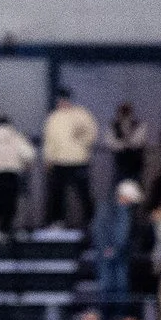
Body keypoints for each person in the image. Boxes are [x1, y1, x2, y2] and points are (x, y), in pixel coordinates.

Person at [42, 91, 99, 229]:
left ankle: (92, 221)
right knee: (57, 193)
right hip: (59, 161)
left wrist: (83, 141)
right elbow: (49, 141)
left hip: (78, 160)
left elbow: (92, 131)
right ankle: (57, 222)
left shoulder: (81, 114)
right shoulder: (53, 118)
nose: (62, 103)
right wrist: (48, 158)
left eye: (64, 100)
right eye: (59, 100)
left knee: (83, 192)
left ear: (69, 100)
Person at [0, 116, 37, 237]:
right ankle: (9, 224)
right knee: (11, 199)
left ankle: (1, 225)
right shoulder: (15, 135)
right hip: (12, 172)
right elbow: (28, 153)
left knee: (0, 199)